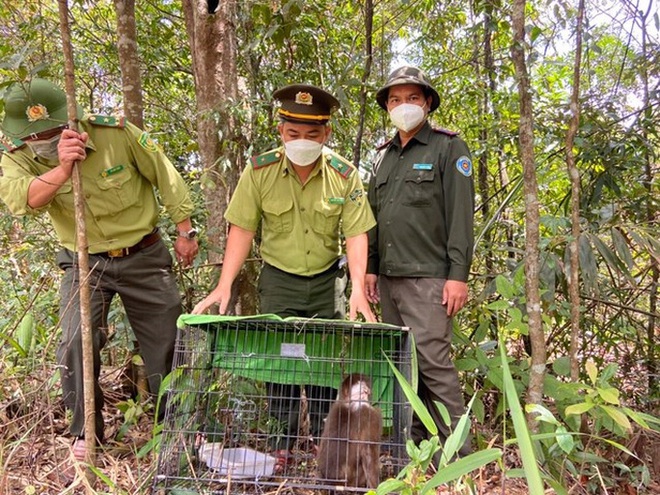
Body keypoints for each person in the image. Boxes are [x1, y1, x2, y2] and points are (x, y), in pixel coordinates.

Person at [0, 78, 199, 461]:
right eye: (34, 135)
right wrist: (61, 168)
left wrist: (186, 231)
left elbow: (166, 175)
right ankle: (85, 431)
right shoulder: (17, 157)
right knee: (75, 339)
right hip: (83, 260)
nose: (43, 138)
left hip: (143, 254)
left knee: (168, 344)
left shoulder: (114, 133)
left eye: (53, 130)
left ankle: (174, 429)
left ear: (70, 118)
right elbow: (23, 201)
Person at [192, 83, 377, 466]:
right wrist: (224, 285)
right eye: (294, 133)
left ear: (326, 134)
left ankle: (328, 444)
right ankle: (283, 443)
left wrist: (358, 288)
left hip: (328, 281)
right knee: (281, 362)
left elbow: (356, 233)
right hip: (279, 278)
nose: (302, 141)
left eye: (312, 134)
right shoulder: (260, 171)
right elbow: (241, 230)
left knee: (327, 363)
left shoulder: (344, 175)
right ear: (281, 132)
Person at [365, 66, 474, 458]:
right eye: (395, 100)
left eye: (412, 98)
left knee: (433, 364)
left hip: (429, 278)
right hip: (390, 280)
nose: (403, 106)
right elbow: (373, 217)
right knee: (400, 367)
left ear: (427, 102)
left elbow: (461, 217)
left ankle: (459, 455)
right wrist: (370, 268)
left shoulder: (448, 147)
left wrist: (457, 276)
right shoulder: (383, 157)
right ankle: (408, 450)